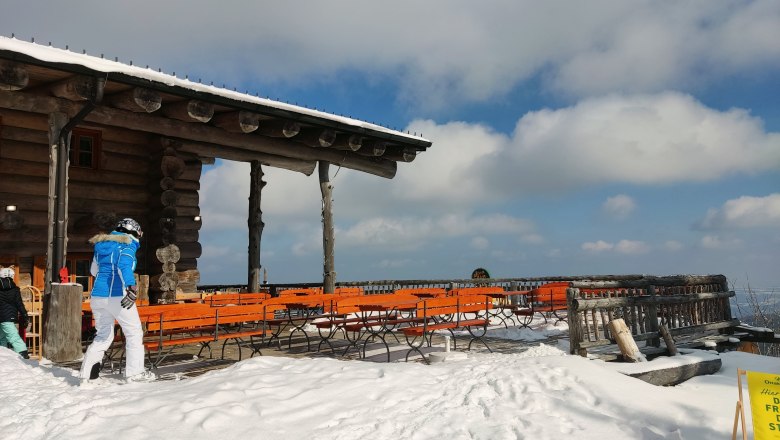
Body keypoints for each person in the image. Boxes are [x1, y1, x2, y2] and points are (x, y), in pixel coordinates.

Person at [79, 218, 156, 383]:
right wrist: (132, 288)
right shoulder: (127, 244)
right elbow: (124, 266)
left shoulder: (100, 246)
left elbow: (93, 271)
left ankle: (87, 376)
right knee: (134, 332)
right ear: (134, 232)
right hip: (118, 295)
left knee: (103, 335)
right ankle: (135, 374)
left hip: (98, 296)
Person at [0, 267, 29, 359]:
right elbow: (19, 304)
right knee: (8, 336)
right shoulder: (15, 289)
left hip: (2, 316)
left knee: (6, 337)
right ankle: (20, 354)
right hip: (9, 316)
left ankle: (21, 355)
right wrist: (25, 315)